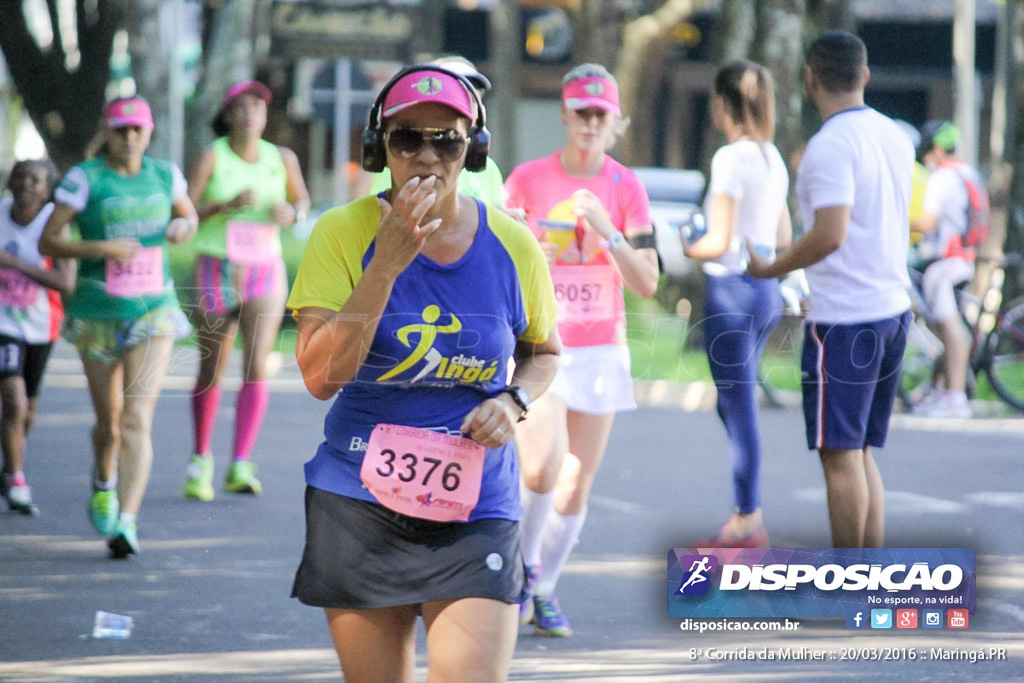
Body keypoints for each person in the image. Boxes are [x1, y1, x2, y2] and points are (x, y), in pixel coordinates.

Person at [286, 64, 560, 682]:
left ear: (474, 149)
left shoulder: (513, 244)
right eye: (407, 138)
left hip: (477, 505)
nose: (427, 155)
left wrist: (515, 400)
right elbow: (320, 376)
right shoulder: (342, 233)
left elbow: (545, 352)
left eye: (448, 139)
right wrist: (384, 264)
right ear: (380, 148)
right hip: (359, 499)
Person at [504, 63, 659, 635]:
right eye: (581, 111)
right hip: (543, 345)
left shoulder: (625, 187)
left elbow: (647, 281)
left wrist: (606, 229)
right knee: (542, 466)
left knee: (574, 482)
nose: (591, 122)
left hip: (601, 352)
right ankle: (517, 572)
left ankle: (542, 588)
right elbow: (493, 259)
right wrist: (525, 252)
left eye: (602, 113)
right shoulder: (525, 179)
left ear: (615, 121)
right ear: (565, 114)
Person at [747, 31, 913, 549]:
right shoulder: (894, 136)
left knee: (839, 455)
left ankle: (851, 579)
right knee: (859, 451)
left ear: (810, 77)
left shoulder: (828, 147)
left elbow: (830, 233)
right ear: (863, 76)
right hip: (892, 309)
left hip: (846, 320)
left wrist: (771, 268)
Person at [40, 96, 199, 557]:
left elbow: (187, 214)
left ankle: (127, 522)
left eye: (138, 130)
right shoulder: (84, 178)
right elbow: (51, 239)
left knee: (135, 419)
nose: (130, 137)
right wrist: (102, 250)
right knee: (108, 423)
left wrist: (183, 227)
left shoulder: (165, 174)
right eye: (121, 129)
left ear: (149, 133)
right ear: (107, 132)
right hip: (96, 313)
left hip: (153, 310)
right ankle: (103, 478)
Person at [682, 60, 792, 548]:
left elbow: (718, 241)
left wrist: (686, 243)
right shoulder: (773, 158)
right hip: (765, 291)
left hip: (730, 291)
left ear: (724, 103)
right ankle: (746, 510)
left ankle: (748, 517)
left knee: (740, 408)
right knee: (734, 405)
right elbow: (783, 236)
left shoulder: (730, 159)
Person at [183, 80, 311, 500]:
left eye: (257, 106)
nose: (250, 113)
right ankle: (201, 458)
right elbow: (185, 211)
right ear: (228, 113)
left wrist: (289, 212)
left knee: (256, 364)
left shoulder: (281, 158)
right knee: (211, 366)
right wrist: (224, 205)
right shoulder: (212, 156)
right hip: (216, 265)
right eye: (241, 106)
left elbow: (302, 204)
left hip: (264, 268)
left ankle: (241, 461)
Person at [0, 159, 76, 515]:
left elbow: (66, 282)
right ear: (9, 182)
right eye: (20, 177)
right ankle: (17, 479)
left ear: (47, 190)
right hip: (4, 325)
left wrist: (15, 265)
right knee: (13, 400)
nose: (26, 184)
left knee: (27, 409)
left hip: (42, 326)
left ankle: (8, 465)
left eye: (35, 180)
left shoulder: (53, 225)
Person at [909, 120, 987, 419]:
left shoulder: (943, 177)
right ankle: (941, 389)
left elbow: (928, 222)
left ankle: (955, 395)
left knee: (949, 329)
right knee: (944, 327)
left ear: (936, 150)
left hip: (944, 263)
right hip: (965, 258)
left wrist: (896, 221)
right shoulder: (968, 172)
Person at [367, 56, 507, 206]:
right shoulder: (398, 162)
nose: (428, 158)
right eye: (407, 140)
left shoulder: (488, 169)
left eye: (449, 141)